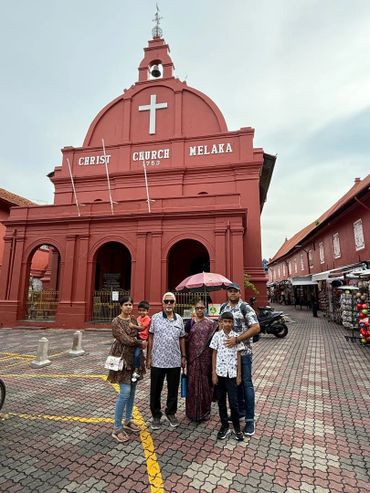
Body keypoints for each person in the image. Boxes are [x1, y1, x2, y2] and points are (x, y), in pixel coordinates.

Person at [220, 282, 260, 436]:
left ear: (239, 293)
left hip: (244, 353)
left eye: (235, 291)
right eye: (230, 291)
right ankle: (240, 411)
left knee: (246, 384)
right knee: (235, 385)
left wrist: (237, 340)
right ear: (227, 293)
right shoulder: (224, 308)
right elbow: (220, 326)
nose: (232, 293)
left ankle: (250, 420)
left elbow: (256, 327)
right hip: (229, 355)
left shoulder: (245, 308)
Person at [107, 295, 147, 443]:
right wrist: (139, 342)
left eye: (130, 304)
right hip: (122, 360)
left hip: (134, 360)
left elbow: (138, 332)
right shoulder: (116, 321)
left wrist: (139, 340)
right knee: (124, 393)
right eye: (126, 305)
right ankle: (117, 427)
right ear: (120, 306)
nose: (129, 307)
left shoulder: (133, 319)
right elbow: (124, 339)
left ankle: (128, 420)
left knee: (132, 392)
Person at [147, 292, 186, 430]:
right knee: (155, 389)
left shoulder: (179, 319)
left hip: (174, 360)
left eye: (171, 301)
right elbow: (150, 337)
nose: (169, 304)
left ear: (175, 303)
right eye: (166, 301)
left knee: (173, 389)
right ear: (162, 303)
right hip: (158, 360)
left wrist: (183, 356)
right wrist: (149, 357)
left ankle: (171, 412)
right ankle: (156, 415)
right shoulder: (155, 318)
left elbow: (182, 338)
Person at [209, 311, 244, 441]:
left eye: (230, 322)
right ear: (221, 323)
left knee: (234, 403)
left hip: (233, 375)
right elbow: (214, 354)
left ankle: (236, 427)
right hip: (220, 374)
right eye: (225, 321)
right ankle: (224, 426)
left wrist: (239, 374)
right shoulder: (217, 336)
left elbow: (239, 355)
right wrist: (213, 373)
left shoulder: (236, 337)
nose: (227, 324)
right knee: (221, 402)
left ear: (232, 323)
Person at [185, 299, 216, 422]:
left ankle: (204, 411)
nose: (199, 310)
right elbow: (185, 340)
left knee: (206, 385)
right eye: (197, 308)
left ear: (205, 309)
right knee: (192, 385)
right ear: (194, 309)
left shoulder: (211, 324)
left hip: (206, 360)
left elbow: (214, 342)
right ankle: (192, 412)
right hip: (193, 359)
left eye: (202, 308)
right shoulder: (190, 323)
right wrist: (184, 355)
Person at [132, 300, 151, 383]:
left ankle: (136, 370)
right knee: (135, 354)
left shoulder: (147, 319)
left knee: (136, 354)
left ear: (147, 311)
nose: (141, 312)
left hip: (143, 339)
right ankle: (138, 367)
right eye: (140, 310)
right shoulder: (138, 318)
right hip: (137, 337)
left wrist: (133, 326)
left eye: (143, 310)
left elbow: (142, 328)